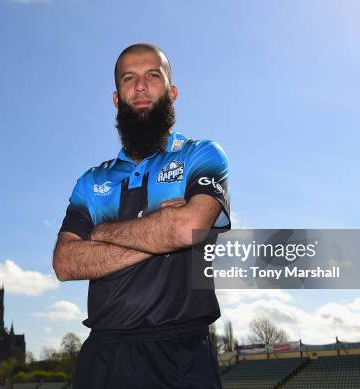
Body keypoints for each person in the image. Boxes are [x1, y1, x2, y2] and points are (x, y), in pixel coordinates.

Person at [53, 43, 230, 388]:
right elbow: (65, 262)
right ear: (117, 98)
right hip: (103, 357)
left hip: (182, 354)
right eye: (128, 78)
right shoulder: (91, 181)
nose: (140, 86)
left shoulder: (202, 154)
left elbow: (186, 228)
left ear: (172, 92)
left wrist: (102, 232)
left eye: (153, 76)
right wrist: (159, 231)